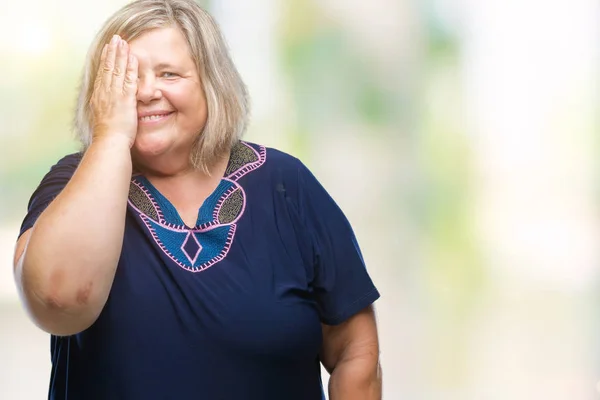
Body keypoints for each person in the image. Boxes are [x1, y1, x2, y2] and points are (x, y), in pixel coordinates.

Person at [13, 0, 382, 399]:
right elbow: (57, 302)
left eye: (168, 74)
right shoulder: (71, 181)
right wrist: (112, 138)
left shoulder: (287, 184)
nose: (147, 91)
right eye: (127, 77)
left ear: (211, 82)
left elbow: (354, 351)